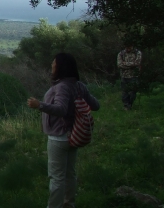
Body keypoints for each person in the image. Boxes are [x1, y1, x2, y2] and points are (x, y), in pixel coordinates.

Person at [27, 53, 100, 208]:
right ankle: (69, 204)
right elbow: (96, 105)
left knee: (57, 177)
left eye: (54, 64)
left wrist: (39, 105)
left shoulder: (62, 87)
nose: (52, 66)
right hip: (75, 135)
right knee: (70, 174)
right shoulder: (79, 86)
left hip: (59, 137)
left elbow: (60, 109)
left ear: (60, 67)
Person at [117, 44, 141, 110]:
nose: (128, 48)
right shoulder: (121, 54)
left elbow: (137, 63)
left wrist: (126, 63)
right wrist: (131, 65)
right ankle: (126, 105)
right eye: (127, 47)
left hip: (134, 76)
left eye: (129, 47)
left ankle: (130, 103)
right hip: (124, 76)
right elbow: (119, 65)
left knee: (133, 92)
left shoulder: (137, 53)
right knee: (125, 92)